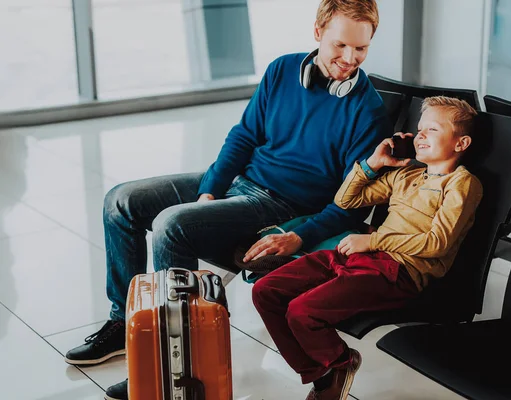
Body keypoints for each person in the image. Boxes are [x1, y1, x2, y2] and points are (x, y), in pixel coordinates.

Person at [63, 1, 389, 399]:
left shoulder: (368, 111)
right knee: (121, 201)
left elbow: (353, 202)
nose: (349, 59)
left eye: (361, 49)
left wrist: (299, 236)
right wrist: (209, 191)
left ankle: (175, 361)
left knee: (172, 225)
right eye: (341, 46)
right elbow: (244, 136)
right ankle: (122, 325)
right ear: (318, 32)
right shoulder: (283, 70)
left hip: (282, 206)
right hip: (242, 180)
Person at [252, 96, 484, 400]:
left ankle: (339, 364)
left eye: (433, 130)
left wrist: (373, 241)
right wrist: (372, 164)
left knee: (301, 311)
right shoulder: (405, 174)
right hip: (358, 254)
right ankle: (322, 374)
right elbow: (346, 200)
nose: (421, 136)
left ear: (460, 143)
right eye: (419, 129)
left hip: (397, 271)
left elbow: (437, 243)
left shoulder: (461, 183)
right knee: (265, 291)